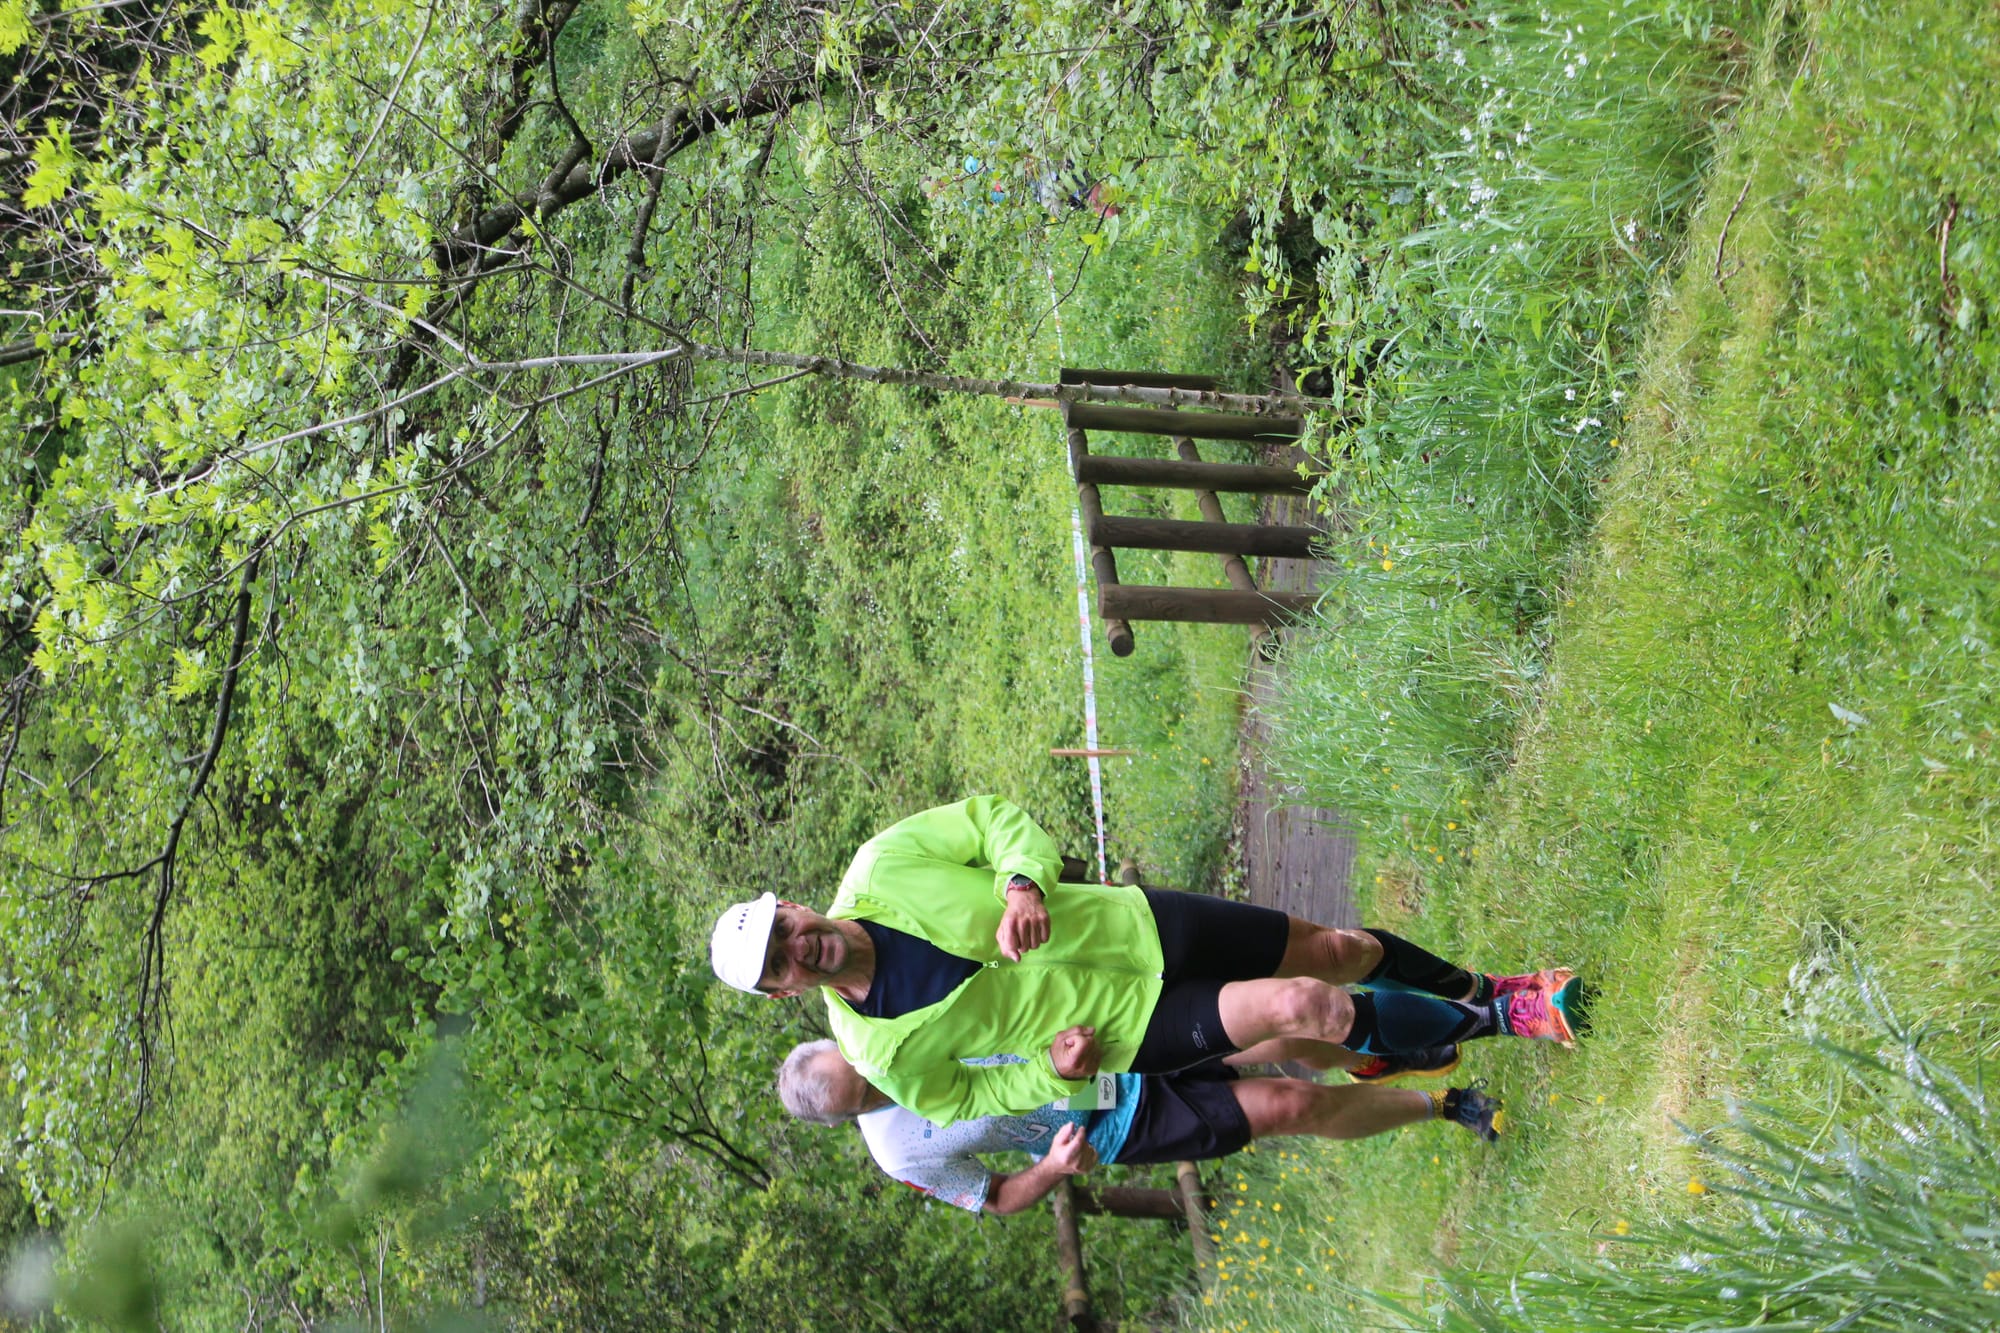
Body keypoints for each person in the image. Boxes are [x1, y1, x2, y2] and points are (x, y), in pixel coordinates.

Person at [709, 796, 1585, 1126]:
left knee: (1342, 949)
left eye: (782, 929)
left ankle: (1482, 989)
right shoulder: (875, 1052)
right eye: (778, 964)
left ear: (788, 904)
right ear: (783, 988)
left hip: (1134, 927)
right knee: (1307, 1006)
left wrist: (1022, 883)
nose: (797, 947)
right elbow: (970, 1096)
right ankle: (1514, 1014)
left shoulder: (880, 865)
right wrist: (1056, 1074)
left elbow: (990, 820)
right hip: (1123, 1029)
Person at [776, 1039, 1502, 1217]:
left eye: (861, 1066)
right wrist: (1055, 1167)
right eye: (863, 1094)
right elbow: (991, 1197)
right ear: (846, 1117)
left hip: (1112, 1042)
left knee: (1274, 1027)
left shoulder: (888, 1031)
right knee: (1288, 1106)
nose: (877, 1077)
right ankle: (1445, 1106)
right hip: (1114, 1119)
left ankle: (1378, 1051)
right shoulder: (898, 1150)